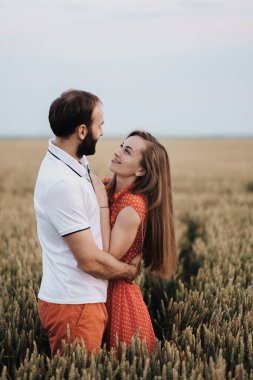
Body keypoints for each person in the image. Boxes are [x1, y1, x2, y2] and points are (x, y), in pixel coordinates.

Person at [34, 90, 141, 357]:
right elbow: (90, 261)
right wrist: (128, 272)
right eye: (99, 125)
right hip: (75, 306)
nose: (103, 132)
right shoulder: (62, 183)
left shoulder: (76, 161)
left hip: (83, 302)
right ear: (82, 130)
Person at [91, 130, 178, 354]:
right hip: (95, 293)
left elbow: (106, 257)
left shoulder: (132, 206)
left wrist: (101, 202)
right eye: (121, 145)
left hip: (117, 302)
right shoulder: (109, 187)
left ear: (141, 170)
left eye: (127, 151)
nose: (117, 152)